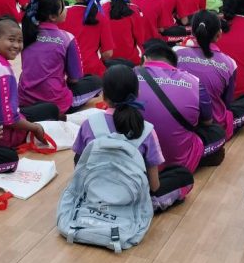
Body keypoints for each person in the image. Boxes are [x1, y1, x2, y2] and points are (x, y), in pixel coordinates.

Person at [73, 65, 194, 213]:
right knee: (183, 175)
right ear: (138, 93)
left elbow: (78, 165)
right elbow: (154, 186)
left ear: (104, 95)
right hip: (131, 201)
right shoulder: (146, 130)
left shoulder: (89, 124)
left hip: (94, 196)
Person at [0, 18, 52, 149]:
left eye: (20, 41)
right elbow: (9, 120)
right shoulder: (3, 72)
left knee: (41, 107)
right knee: (51, 110)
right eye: (11, 40)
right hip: (0, 137)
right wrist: (35, 128)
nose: (17, 46)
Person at [176, 10, 244, 137]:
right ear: (219, 34)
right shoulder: (229, 63)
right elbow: (226, 102)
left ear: (192, 31)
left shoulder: (175, 52)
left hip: (179, 121)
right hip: (212, 125)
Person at [19, 0, 102, 117]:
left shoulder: (26, 34)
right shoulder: (67, 38)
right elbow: (74, 79)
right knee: (97, 81)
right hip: (56, 101)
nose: (66, 10)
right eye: (63, 7)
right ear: (53, 16)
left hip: (25, 99)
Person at [135, 39, 211, 175]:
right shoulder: (194, 82)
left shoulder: (129, 75)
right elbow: (207, 121)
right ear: (175, 65)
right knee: (216, 133)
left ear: (145, 59)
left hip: (136, 164)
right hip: (179, 163)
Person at [62, 0, 115, 77]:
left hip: (67, 71)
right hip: (92, 71)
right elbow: (108, 53)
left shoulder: (63, 14)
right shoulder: (101, 17)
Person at [104, 0, 147, 66]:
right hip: (131, 61)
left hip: (107, 62)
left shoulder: (103, 9)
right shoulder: (134, 10)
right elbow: (141, 39)